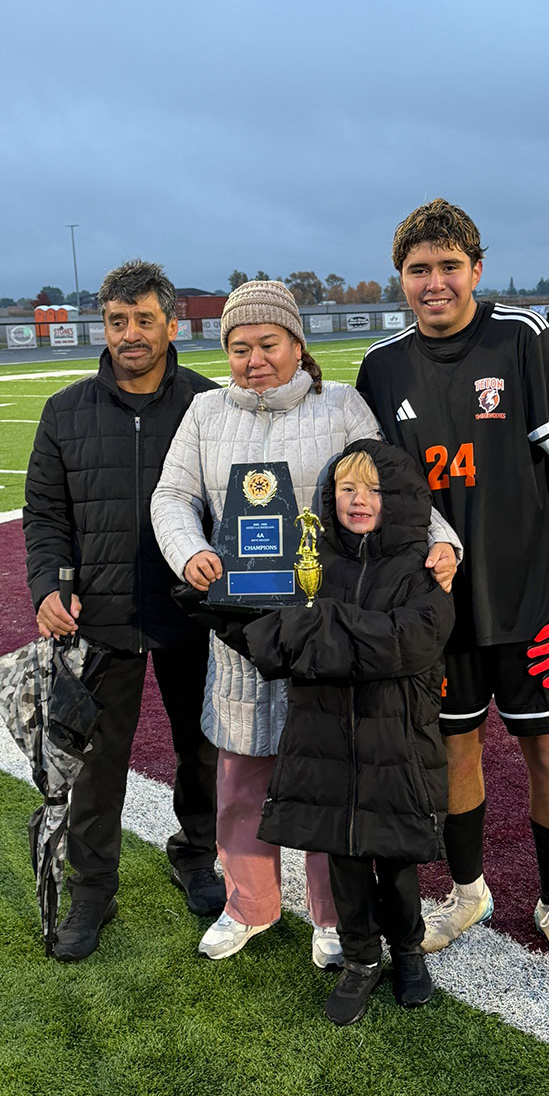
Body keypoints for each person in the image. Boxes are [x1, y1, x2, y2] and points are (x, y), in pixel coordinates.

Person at [150, 280, 459, 967]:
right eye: (239, 347)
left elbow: (390, 486)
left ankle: (331, 916)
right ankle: (249, 904)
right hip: (240, 627)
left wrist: (442, 540)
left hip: (324, 626)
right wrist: (193, 550)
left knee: (326, 773)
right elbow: (173, 494)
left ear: (297, 344)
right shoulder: (204, 413)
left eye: (267, 344)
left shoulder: (342, 405)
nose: (253, 359)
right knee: (241, 774)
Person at [356, 198, 549, 978]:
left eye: (449, 267)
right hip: (438, 612)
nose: (435, 283)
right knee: (454, 752)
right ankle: (468, 892)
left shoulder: (523, 337)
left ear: (476, 269)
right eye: (419, 270)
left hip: (530, 598)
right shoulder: (381, 366)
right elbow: (380, 492)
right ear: (400, 278)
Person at [23, 259, 224, 961]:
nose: (129, 334)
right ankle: (92, 890)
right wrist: (48, 585)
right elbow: (43, 515)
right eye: (117, 321)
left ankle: (197, 853)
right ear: (102, 325)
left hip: (190, 613)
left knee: (202, 749)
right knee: (95, 763)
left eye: (143, 319)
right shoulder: (65, 411)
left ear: (172, 323)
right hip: (98, 617)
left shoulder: (210, 406)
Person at [244, 441, 455, 1025]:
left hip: (397, 743)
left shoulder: (424, 566)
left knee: (398, 860)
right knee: (344, 858)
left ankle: (409, 951)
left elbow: (409, 643)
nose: (359, 500)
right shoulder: (311, 559)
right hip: (325, 739)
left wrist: (328, 624)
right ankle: (361, 958)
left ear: (403, 500)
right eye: (346, 488)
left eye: (375, 490)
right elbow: (279, 639)